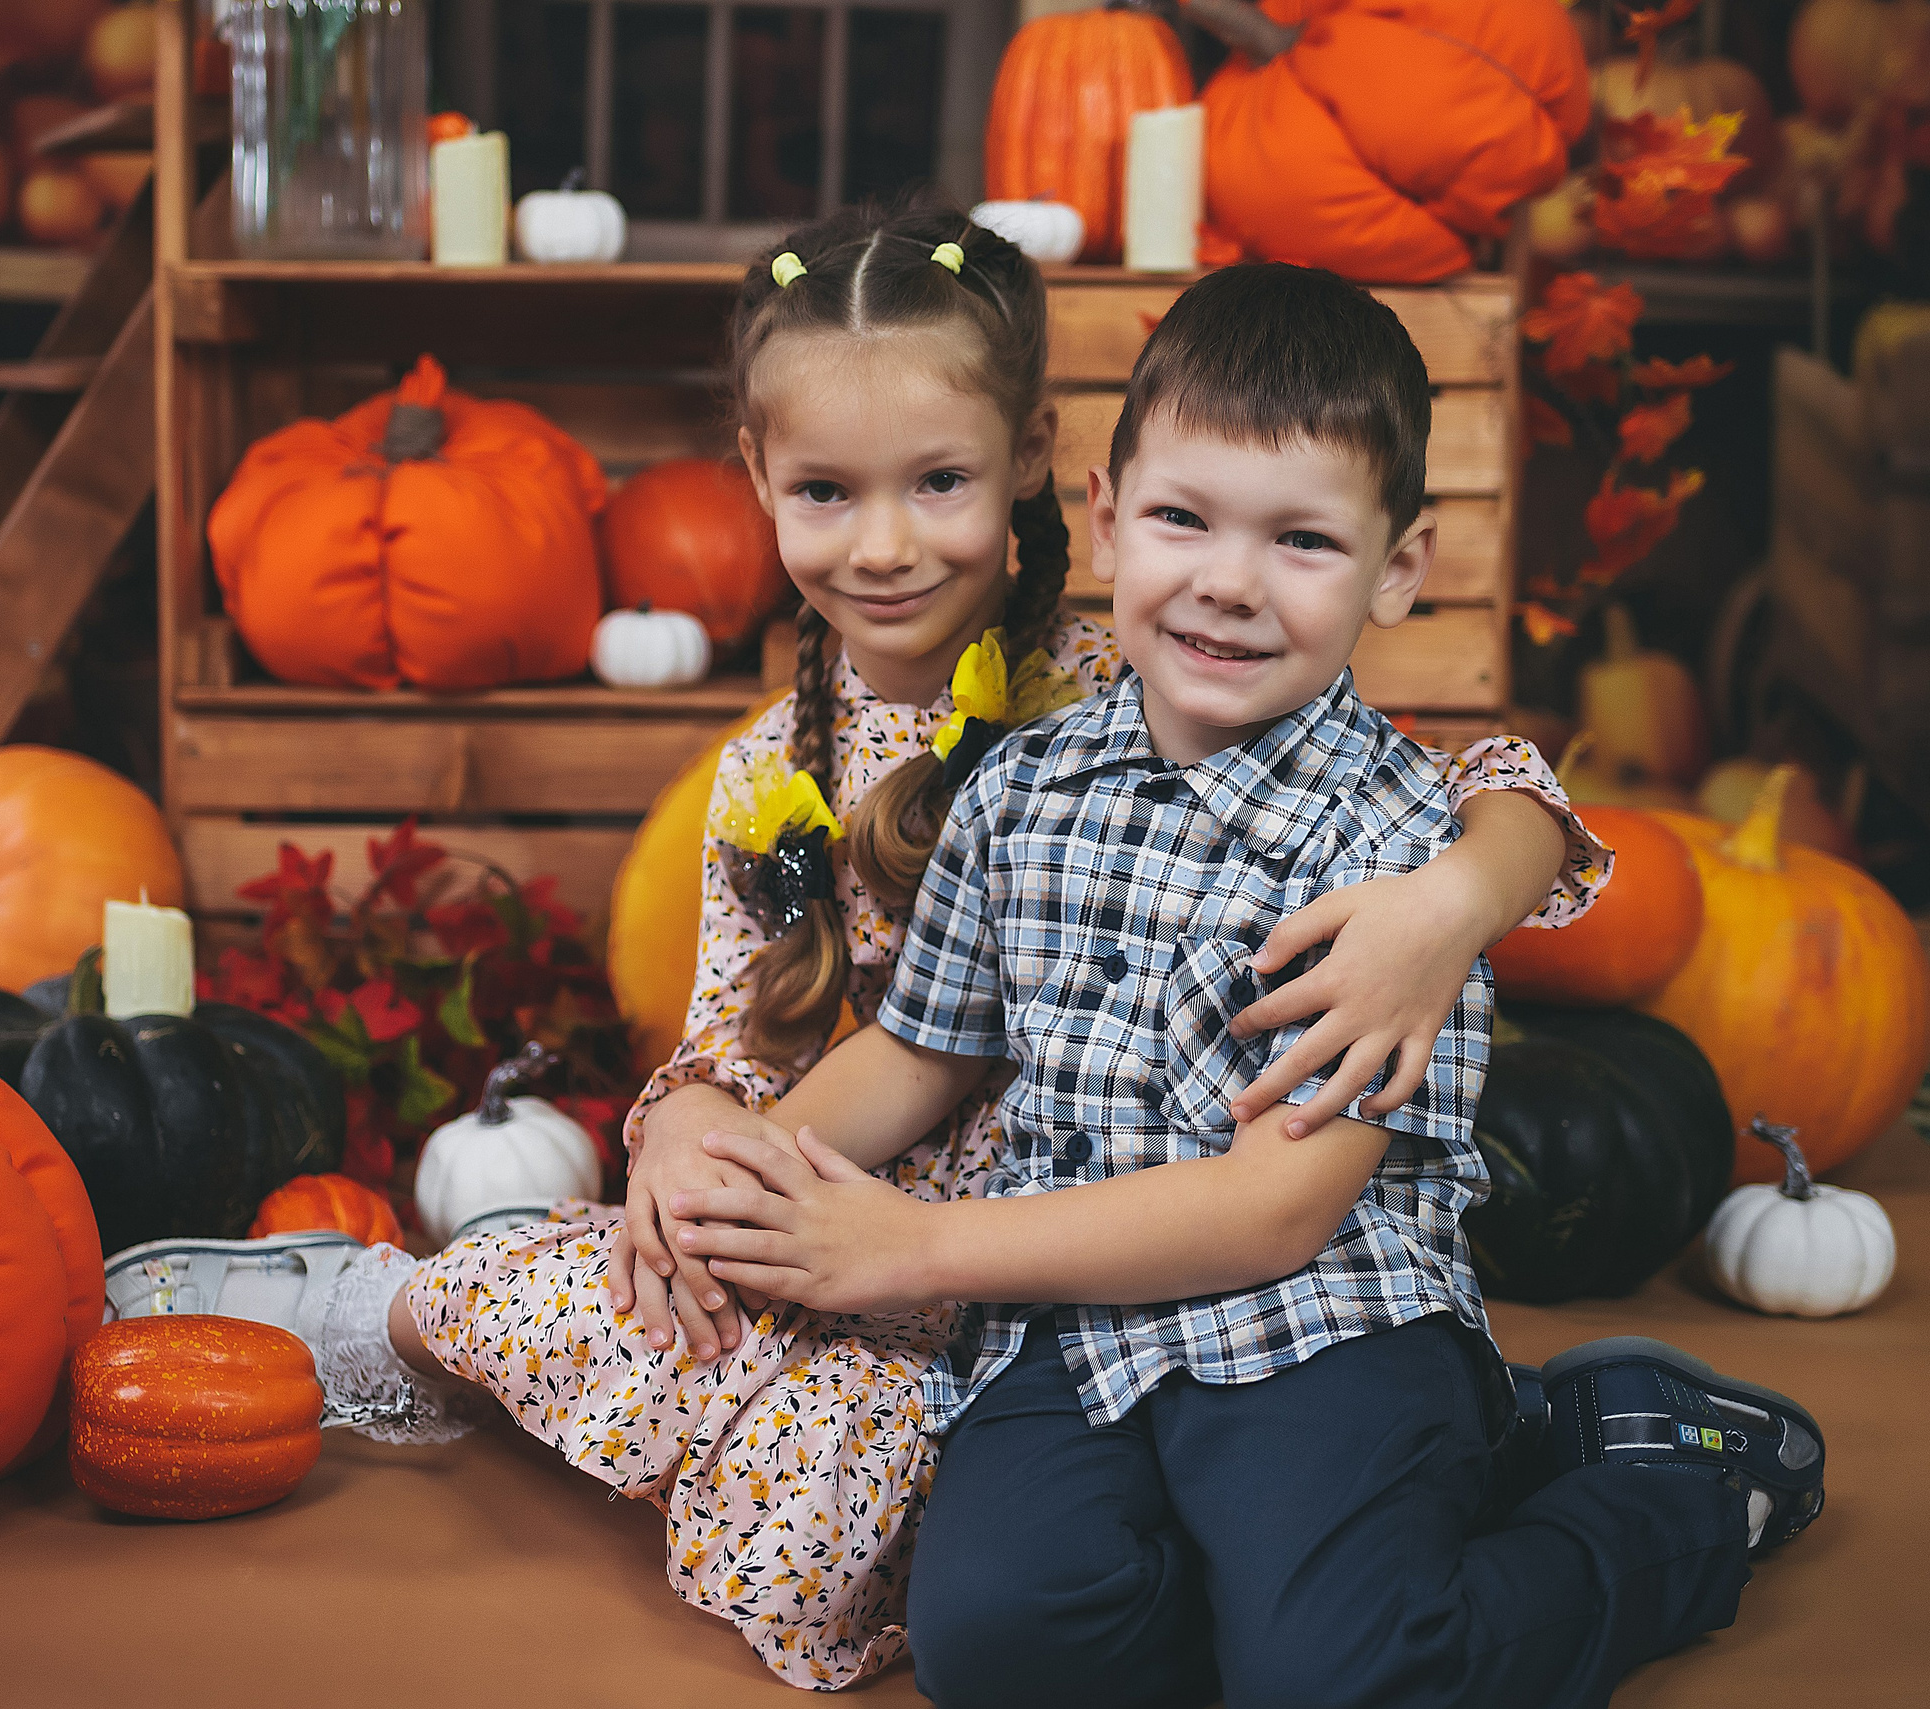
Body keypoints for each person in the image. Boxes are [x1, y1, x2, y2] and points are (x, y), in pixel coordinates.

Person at [104, 202, 1611, 1689]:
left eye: (938, 481)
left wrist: (1453, 903)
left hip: (1048, 1236)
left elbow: (1479, 790)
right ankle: (389, 1317)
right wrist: (700, 1157)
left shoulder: (1137, 676)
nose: (886, 545)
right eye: (827, 491)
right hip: (859, 1197)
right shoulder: (811, 768)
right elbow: (791, 1042)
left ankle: (1344, 1549)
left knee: (859, 1535)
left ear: (1033, 465)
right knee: (640, 1287)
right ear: (759, 478)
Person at [660, 257, 1827, 1709]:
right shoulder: (1020, 788)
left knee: (1344, 1680)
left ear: (1399, 566)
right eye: (1183, 519)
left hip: (1317, 1322)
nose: (1226, 580)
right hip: (1072, 1326)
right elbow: (924, 1048)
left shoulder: (1398, 858)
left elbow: (1277, 1209)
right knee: (999, 1647)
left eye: (1303, 540)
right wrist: (744, 1173)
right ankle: (1339, 1565)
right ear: (1104, 515)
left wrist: (908, 1248)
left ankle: (1667, 1509)